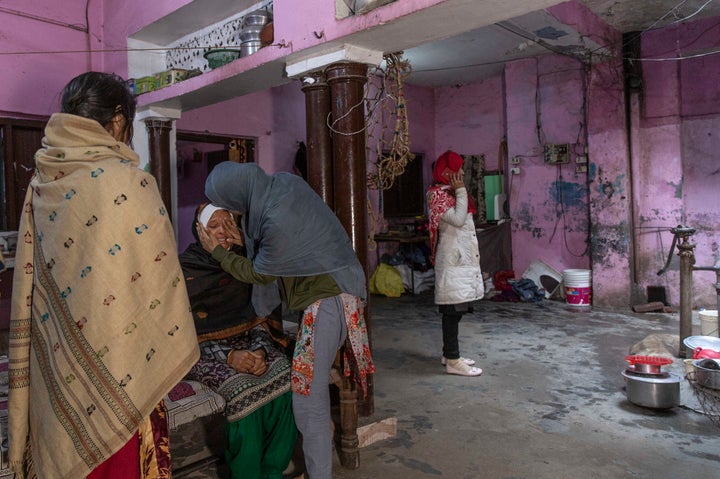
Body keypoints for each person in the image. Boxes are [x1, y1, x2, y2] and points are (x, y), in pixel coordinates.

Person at [7, 72, 200, 479]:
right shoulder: (129, 183)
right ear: (117, 121)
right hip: (122, 371)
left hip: (59, 373)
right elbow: (157, 285)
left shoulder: (42, 183)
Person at [200, 162, 375, 479]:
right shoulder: (282, 185)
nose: (227, 222)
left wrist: (218, 253)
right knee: (311, 394)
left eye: (229, 211)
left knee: (308, 401)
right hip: (338, 291)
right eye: (215, 224)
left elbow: (259, 272)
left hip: (327, 303)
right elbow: (289, 245)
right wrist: (244, 242)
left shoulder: (276, 219)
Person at [179, 203, 297, 479]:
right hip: (201, 353)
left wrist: (260, 350)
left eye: (227, 223)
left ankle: (272, 472)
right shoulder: (185, 269)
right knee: (243, 390)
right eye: (213, 226)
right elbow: (180, 332)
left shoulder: (246, 262)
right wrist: (229, 357)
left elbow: (260, 313)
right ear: (199, 231)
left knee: (287, 376)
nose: (221, 232)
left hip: (250, 342)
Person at [427, 150, 484, 377]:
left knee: (456, 309)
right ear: (446, 172)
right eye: (458, 169)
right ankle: (453, 359)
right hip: (452, 262)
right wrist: (461, 190)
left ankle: (448, 354)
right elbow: (459, 220)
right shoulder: (437, 196)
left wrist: (459, 191)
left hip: (460, 261)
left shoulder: (448, 192)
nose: (461, 173)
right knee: (451, 311)